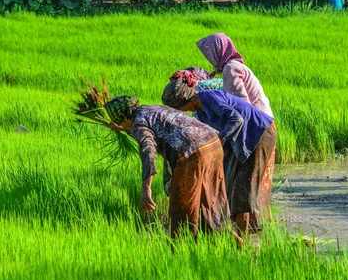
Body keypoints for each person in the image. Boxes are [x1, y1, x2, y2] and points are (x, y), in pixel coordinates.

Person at [103, 95, 233, 240]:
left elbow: (148, 152)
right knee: (210, 202)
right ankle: (236, 242)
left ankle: (179, 250)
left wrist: (146, 188)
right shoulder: (148, 108)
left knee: (182, 209)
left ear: (123, 117)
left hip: (192, 152)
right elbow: (146, 128)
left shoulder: (139, 123)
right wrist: (123, 128)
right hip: (213, 144)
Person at [161, 82, 277, 237]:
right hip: (240, 139)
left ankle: (243, 239)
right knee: (229, 183)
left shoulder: (209, 98)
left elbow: (237, 119)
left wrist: (221, 139)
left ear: (184, 102)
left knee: (243, 186)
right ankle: (240, 230)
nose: (180, 112)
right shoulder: (201, 112)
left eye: (178, 108)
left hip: (258, 134)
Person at [196, 33, 273, 117]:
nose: (210, 59)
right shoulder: (233, 65)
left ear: (217, 51)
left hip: (257, 118)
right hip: (261, 114)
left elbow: (241, 103)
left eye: (210, 54)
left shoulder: (230, 68)